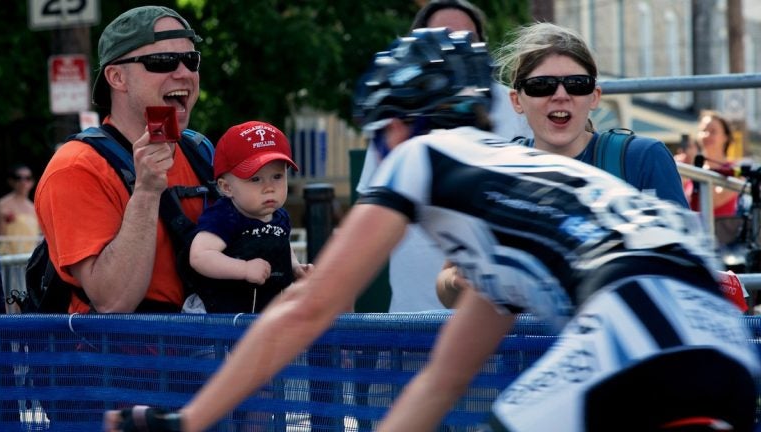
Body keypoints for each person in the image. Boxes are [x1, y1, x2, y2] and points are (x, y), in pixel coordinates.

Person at [104, 27, 760, 432]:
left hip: (635, 327)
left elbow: (306, 308)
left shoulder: (427, 153)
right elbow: (440, 383)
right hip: (722, 343)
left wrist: (187, 420)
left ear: (395, 127)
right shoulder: (518, 203)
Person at [436, 21, 690, 307]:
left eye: (576, 84)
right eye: (541, 85)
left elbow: (685, 268)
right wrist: (463, 280)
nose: (560, 95)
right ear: (516, 101)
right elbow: (446, 284)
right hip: (526, 346)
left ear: (594, 97)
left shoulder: (642, 158)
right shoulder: (494, 171)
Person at [358, 0, 533, 313]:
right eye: (441, 38)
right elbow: (368, 212)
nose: (453, 49)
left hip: (500, 315)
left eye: (465, 40)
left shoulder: (516, 108)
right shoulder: (397, 112)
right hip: (414, 315)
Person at [35, 6, 209, 313]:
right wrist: (145, 193)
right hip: (115, 357)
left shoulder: (199, 149)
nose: (183, 73)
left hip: (204, 354)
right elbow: (113, 300)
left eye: (190, 60)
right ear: (117, 77)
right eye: (163, 61)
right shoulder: (76, 167)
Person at [185, 120, 312, 313]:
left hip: (260, 309)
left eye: (277, 177)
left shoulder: (280, 217)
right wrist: (243, 269)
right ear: (227, 187)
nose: (269, 188)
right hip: (217, 314)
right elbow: (200, 256)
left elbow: (281, 247)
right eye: (255, 179)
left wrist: (295, 268)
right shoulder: (225, 216)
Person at [688, 110, 740, 217]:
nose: (707, 135)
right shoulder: (692, 170)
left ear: (726, 137)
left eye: (713, 131)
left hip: (720, 231)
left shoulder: (735, 171)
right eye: (703, 130)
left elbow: (712, 203)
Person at [0, 164, 40, 255]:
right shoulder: (3, 204)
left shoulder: (34, 208)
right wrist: (3, 220)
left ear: (32, 182)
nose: (23, 182)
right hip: (8, 259)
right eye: (18, 178)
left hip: (28, 259)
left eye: (27, 178)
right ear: (11, 181)